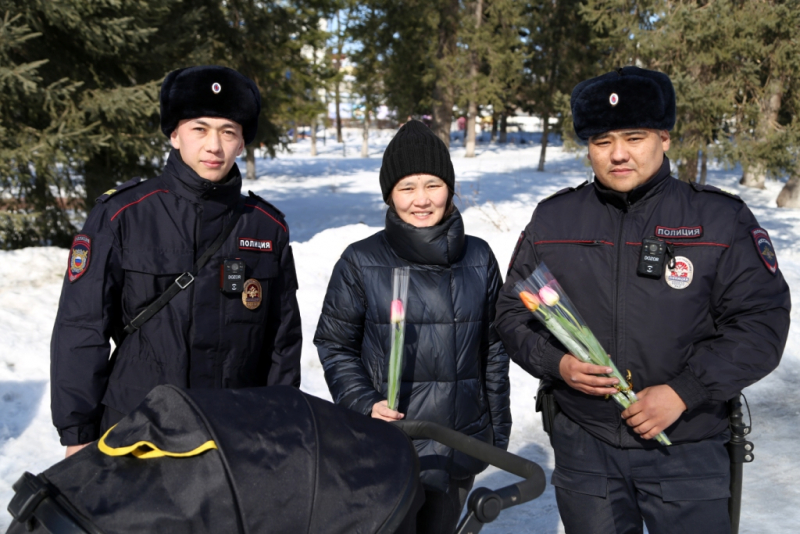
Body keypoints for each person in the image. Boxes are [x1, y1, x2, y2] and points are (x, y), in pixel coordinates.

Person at [495, 67, 791, 534]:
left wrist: (684, 391)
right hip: (586, 446)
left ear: (664, 137)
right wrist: (557, 364)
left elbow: (761, 323)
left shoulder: (719, 219)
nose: (618, 154)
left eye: (634, 138)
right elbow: (514, 310)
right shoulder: (554, 220)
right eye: (602, 141)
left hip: (687, 445)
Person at [51, 65, 302, 458]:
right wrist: (77, 432)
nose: (214, 146)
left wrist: (279, 422)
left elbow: (282, 341)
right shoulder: (123, 215)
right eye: (199, 129)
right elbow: (82, 327)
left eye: (228, 132)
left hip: (233, 433)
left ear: (241, 143)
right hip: (136, 431)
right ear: (174, 134)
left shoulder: (266, 227)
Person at [314, 120, 511, 534]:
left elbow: (494, 350)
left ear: (449, 189)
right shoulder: (361, 261)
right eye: (407, 188)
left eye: (433, 185)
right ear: (390, 194)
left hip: (458, 443)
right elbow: (335, 344)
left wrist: (495, 432)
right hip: (390, 443)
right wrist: (365, 403)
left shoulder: (479, 258)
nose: (421, 199)